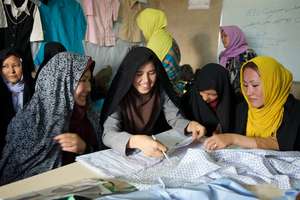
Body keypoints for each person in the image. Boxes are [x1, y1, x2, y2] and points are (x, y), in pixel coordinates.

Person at [0, 52, 102, 185]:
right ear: (60, 83)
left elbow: (104, 157)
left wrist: (85, 149)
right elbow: (13, 177)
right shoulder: (29, 121)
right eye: (82, 80)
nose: (88, 88)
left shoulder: (89, 116)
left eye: (89, 80)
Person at [100, 46, 206, 157]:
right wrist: (135, 141)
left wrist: (190, 125)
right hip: (126, 151)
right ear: (129, 74)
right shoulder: (121, 94)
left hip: (154, 148)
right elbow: (108, 134)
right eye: (139, 74)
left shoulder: (160, 90)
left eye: (151, 73)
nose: (146, 81)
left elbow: (174, 118)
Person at [204, 56, 300, 151]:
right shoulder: (242, 108)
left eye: (255, 85)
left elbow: (282, 144)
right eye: (245, 85)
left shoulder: (294, 111)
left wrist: (233, 138)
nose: (248, 92)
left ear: (273, 84)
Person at [136, 8, 184, 96]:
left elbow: (148, 71)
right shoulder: (168, 38)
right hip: (176, 87)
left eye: (143, 29)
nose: (143, 32)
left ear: (149, 25)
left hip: (166, 91)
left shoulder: (155, 44)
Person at [181, 63, 234, 136]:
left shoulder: (235, 104)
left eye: (212, 94)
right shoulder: (192, 98)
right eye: (202, 92)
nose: (205, 98)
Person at [0, 49, 34, 155]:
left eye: (16, 65)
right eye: (5, 66)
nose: (11, 71)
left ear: (22, 66)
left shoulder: (34, 88)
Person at [219, 25, 257, 102]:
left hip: (244, 98)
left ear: (235, 36)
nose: (223, 39)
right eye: (222, 37)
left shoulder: (248, 53)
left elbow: (254, 78)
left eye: (225, 36)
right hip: (226, 97)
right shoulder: (222, 56)